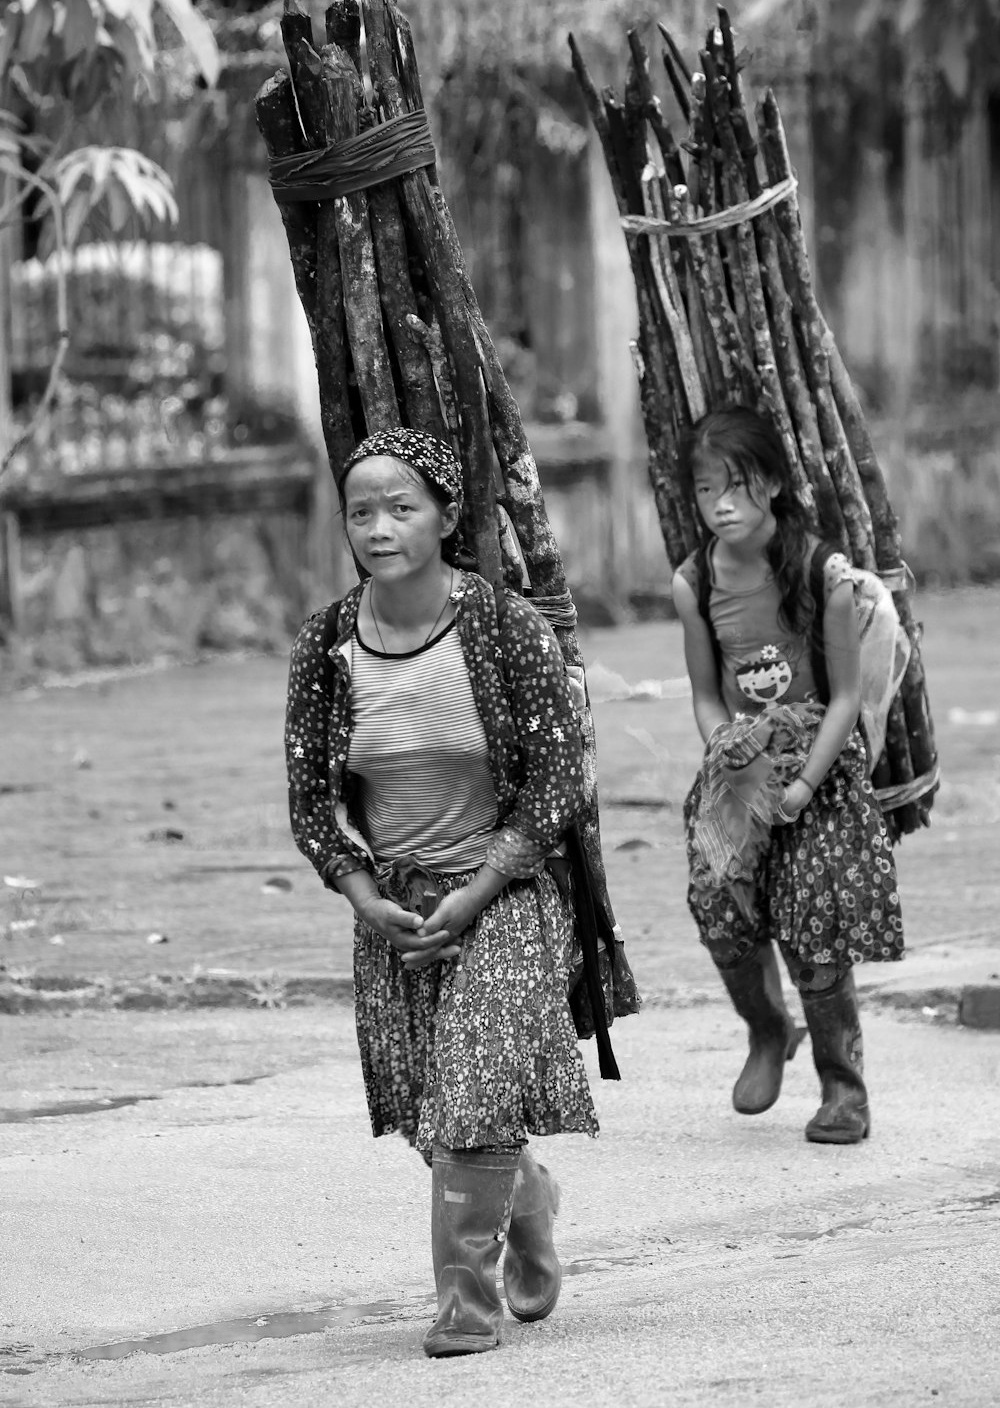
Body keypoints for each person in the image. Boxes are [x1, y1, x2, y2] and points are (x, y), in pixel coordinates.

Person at [284, 427, 598, 1358]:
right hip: (398, 902)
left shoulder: (506, 627)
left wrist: (483, 886)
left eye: (402, 507)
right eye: (361, 511)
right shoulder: (328, 643)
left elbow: (559, 780)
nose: (379, 527)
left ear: (449, 517)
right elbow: (309, 799)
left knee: (470, 1096)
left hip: (507, 893)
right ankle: (527, 1196)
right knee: (439, 1116)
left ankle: (466, 1303)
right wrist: (360, 892)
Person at [671, 408, 903, 1146]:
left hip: (819, 772)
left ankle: (844, 1087)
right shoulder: (693, 580)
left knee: (813, 921)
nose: (723, 506)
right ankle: (768, 1030)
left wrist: (801, 785)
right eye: (707, 492)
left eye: (737, 487)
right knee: (718, 901)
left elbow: (844, 698)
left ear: (771, 484)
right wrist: (733, 758)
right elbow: (708, 696)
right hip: (742, 768)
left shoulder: (821, 574)